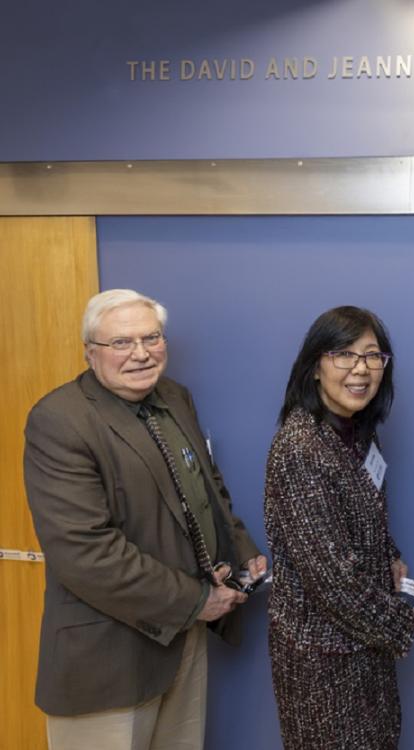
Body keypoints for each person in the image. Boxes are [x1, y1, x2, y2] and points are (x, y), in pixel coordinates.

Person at [23, 288, 266, 750]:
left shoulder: (174, 397)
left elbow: (204, 485)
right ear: (90, 352)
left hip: (184, 642)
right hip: (109, 655)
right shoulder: (59, 420)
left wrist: (239, 546)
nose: (140, 354)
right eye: (121, 343)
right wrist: (198, 601)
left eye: (151, 338)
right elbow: (86, 553)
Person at [264, 306, 414, 750]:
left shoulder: (357, 431)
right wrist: (398, 623)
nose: (361, 369)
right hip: (321, 658)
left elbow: (365, 508)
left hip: (361, 645)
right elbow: (330, 578)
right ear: (314, 367)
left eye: (372, 356)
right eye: (343, 355)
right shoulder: (300, 448)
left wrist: (389, 555)